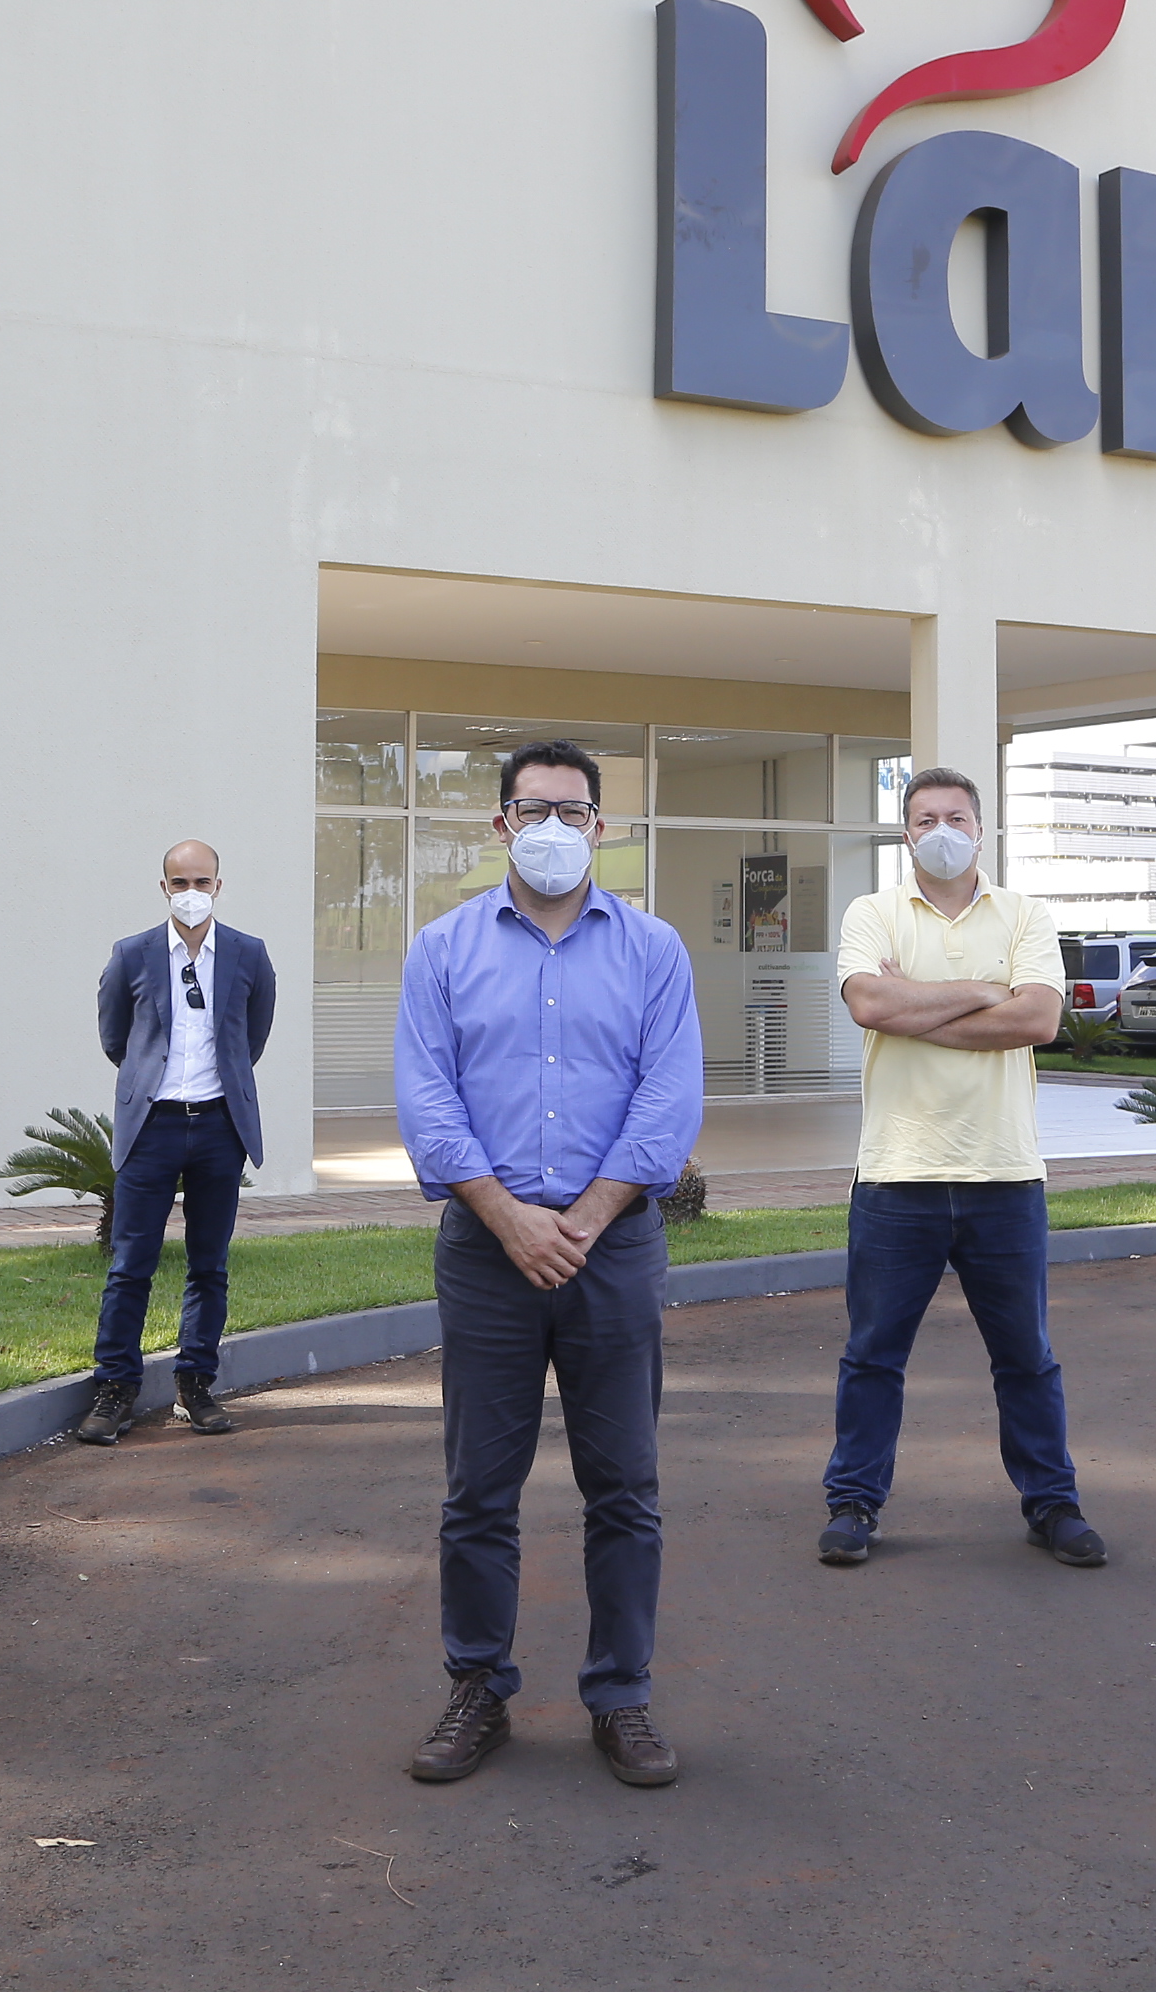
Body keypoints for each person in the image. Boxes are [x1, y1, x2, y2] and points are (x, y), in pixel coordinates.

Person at [393, 739, 701, 1789]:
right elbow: (427, 1099)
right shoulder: (440, 947)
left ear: (604, 826)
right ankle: (477, 1683)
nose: (556, 828)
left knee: (625, 1484)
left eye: (574, 811)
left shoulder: (655, 949)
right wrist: (510, 1216)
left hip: (612, 1250)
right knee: (479, 1485)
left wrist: (588, 1213)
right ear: (500, 825)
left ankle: (622, 1694)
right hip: (487, 1251)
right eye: (534, 809)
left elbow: (669, 1099)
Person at [817, 765, 1105, 1570]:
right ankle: (853, 1504)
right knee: (873, 1355)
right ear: (905, 833)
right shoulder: (873, 911)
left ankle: (1052, 1503)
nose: (939, 830)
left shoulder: (1024, 913)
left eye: (955, 817)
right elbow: (869, 1006)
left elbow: (1040, 1017)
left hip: (1003, 1177)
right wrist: (984, 993)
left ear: (983, 829)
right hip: (895, 1178)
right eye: (923, 819)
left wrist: (923, 1005)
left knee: (1026, 1357)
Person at [76, 837, 278, 1444]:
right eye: (180, 883)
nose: (192, 893)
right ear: (164, 887)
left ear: (219, 885)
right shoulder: (132, 954)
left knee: (208, 1264)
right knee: (131, 1264)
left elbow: (253, 1036)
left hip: (220, 1126)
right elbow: (116, 1036)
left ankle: (196, 1384)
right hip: (153, 1127)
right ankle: (115, 1389)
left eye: (203, 882)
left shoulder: (248, 954)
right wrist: (151, 1082)